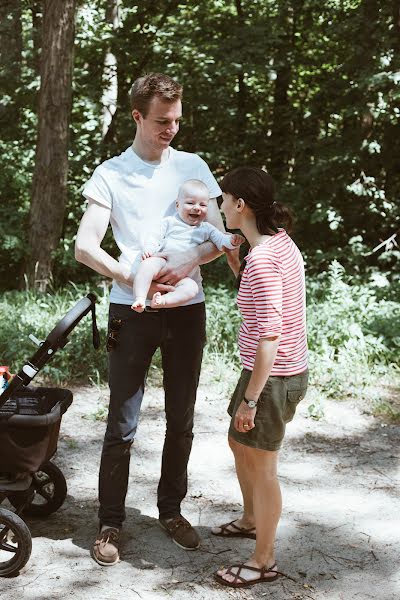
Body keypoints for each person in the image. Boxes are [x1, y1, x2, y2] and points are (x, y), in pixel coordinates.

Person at [75, 73, 233, 566]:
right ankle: (110, 520)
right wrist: (131, 275)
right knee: (122, 423)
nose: (171, 129)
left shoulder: (194, 167)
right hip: (132, 309)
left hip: (186, 310)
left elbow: (217, 235)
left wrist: (182, 268)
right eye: (162, 121)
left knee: (181, 419)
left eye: (178, 121)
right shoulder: (111, 174)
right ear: (138, 116)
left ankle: (171, 510)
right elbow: (84, 246)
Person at [211, 166, 309, 588]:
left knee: (264, 466)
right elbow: (261, 305)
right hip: (264, 371)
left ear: (240, 205)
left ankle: (263, 560)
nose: (218, 205)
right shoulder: (276, 245)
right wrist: (236, 265)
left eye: (223, 198)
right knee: (238, 442)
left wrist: (251, 399)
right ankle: (252, 519)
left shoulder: (266, 260)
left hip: (271, 376)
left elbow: (269, 335)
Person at [132, 179, 244, 312]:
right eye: (190, 203)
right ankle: (140, 298)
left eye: (203, 205)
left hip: (186, 276)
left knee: (192, 289)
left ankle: (163, 301)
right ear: (177, 205)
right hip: (162, 261)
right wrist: (149, 248)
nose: (196, 207)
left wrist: (231, 241)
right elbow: (154, 237)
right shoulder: (170, 222)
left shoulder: (207, 228)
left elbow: (221, 240)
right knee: (147, 265)